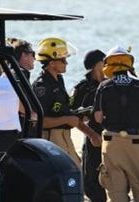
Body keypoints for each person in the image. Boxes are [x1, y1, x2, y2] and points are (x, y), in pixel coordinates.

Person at [93, 46, 139, 202]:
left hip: (111, 142)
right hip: (134, 141)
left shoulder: (104, 86)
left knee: (116, 189)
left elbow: (98, 117)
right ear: (129, 64)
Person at [32, 37, 101, 165]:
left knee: (76, 173)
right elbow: (39, 121)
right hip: (51, 141)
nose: (66, 63)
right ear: (52, 63)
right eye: (63, 60)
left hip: (65, 139)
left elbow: (67, 114)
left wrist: (91, 134)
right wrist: (66, 120)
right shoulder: (42, 87)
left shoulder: (59, 81)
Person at [71, 49, 107, 202]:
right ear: (95, 65)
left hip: (113, 139)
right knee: (93, 185)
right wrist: (92, 134)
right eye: (103, 60)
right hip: (93, 140)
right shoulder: (82, 88)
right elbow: (74, 118)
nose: (106, 63)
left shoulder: (111, 83)